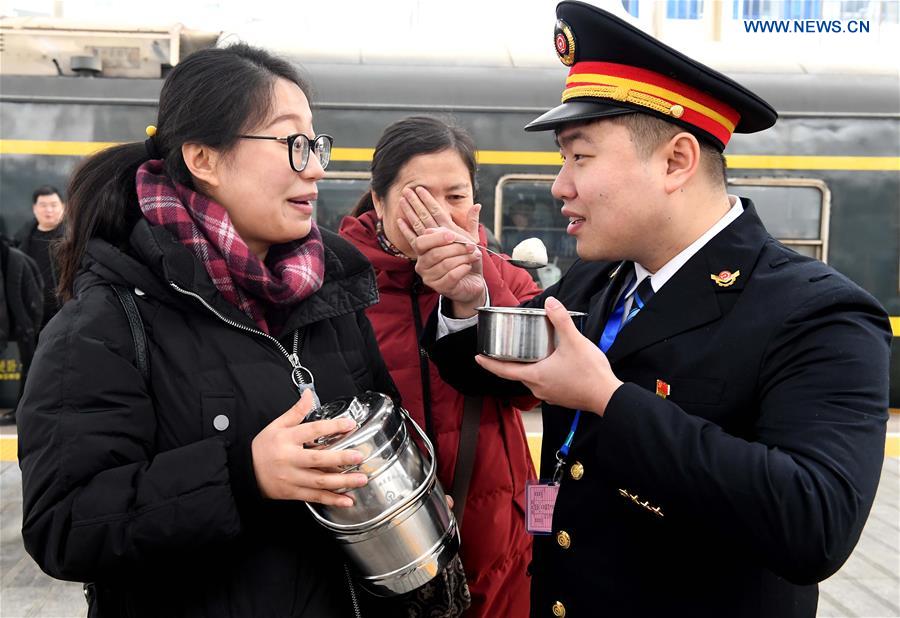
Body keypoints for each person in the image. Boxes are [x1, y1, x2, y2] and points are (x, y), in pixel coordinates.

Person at [403, 3, 892, 617]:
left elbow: (814, 523)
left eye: (579, 156)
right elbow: (498, 370)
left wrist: (609, 400)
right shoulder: (599, 280)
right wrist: (466, 301)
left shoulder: (820, 313)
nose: (559, 185)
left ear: (675, 162)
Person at [17, 43, 403, 617]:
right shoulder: (103, 325)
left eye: (316, 143)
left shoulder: (331, 294)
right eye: (293, 143)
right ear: (204, 158)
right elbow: (64, 524)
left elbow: (383, 418)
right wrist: (244, 475)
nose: (317, 166)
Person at [339, 116, 540, 617]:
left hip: (498, 532)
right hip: (387, 543)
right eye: (417, 197)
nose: (438, 215)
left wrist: (477, 286)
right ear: (378, 201)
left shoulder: (507, 278)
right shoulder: (333, 286)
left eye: (454, 197)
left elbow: (532, 390)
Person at [0, 236, 43, 425]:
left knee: (31, 366)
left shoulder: (17, 259)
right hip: (23, 322)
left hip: (26, 323)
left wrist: (29, 324)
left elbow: (33, 295)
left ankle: (24, 409)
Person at [14, 186, 66, 328]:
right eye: (43, 205)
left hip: (64, 312)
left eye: (53, 205)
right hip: (31, 314)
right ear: (34, 208)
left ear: (63, 207)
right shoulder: (20, 240)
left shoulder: (73, 239)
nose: (48, 210)